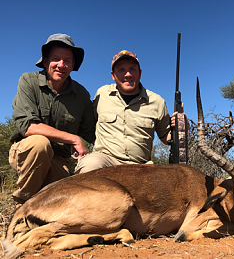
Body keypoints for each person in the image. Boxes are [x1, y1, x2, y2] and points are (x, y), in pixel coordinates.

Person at [9, 33, 96, 206]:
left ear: (73, 66)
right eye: (56, 59)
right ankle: (22, 205)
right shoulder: (28, 81)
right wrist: (73, 138)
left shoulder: (82, 95)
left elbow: (91, 132)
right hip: (27, 151)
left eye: (67, 61)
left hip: (60, 160)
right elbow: (28, 127)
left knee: (56, 204)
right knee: (40, 144)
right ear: (46, 61)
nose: (61, 65)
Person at [75, 50, 188, 173]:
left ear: (139, 73)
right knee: (89, 165)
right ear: (113, 75)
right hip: (105, 159)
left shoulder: (157, 101)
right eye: (121, 70)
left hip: (142, 165)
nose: (127, 74)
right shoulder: (102, 94)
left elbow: (166, 137)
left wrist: (181, 127)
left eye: (132, 69)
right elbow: (88, 124)